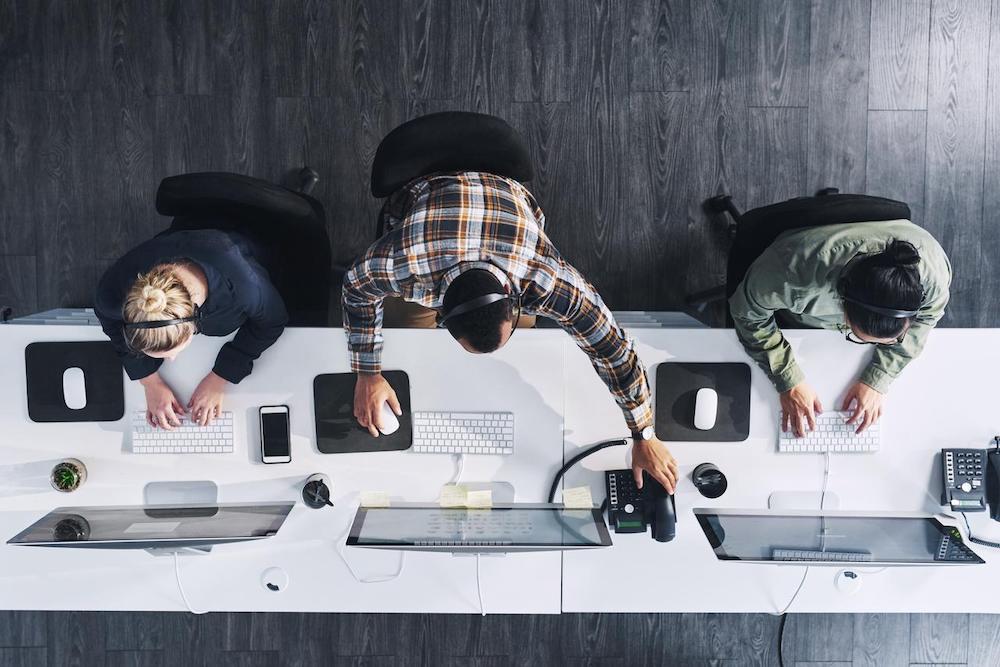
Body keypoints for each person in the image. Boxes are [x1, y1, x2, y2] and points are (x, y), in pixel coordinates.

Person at [342, 171, 678, 492]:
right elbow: (356, 288)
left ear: (516, 305)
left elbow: (613, 350)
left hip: (507, 218)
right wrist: (368, 373)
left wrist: (644, 434)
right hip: (428, 199)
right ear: (439, 311)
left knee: (530, 350)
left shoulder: (543, 277)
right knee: (409, 346)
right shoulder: (405, 263)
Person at [729, 221, 951, 437]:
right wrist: (788, 379)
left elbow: (927, 318)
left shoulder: (934, 275)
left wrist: (879, 377)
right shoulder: (790, 276)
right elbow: (747, 314)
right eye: (859, 336)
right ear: (843, 311)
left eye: (895, 338)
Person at [95, 229, 288, 429]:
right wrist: (149, 381)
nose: (171, 360)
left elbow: (272, 321)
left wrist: (221, 376)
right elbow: (109, 321)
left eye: (173, 351)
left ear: (194, 321)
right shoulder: (112, 293)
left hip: (256, 239)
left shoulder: (244, 288)